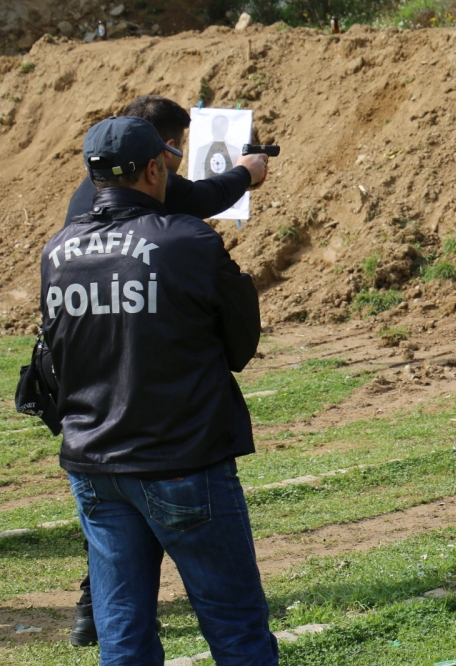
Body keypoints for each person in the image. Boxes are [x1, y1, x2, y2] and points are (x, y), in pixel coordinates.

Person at [42, 116, 278, 665]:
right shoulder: (189, 241)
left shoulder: (56, 250)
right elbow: (239, 343)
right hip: (182, 458)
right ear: (155, 169)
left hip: (94, 466)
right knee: (237, 628)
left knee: (123, 635)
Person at [64, 95, 268, 225]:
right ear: (168, 149)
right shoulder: (151, 176)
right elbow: (206, 198)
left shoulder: (92, 184)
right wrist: (245, 172)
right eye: (181, 145)